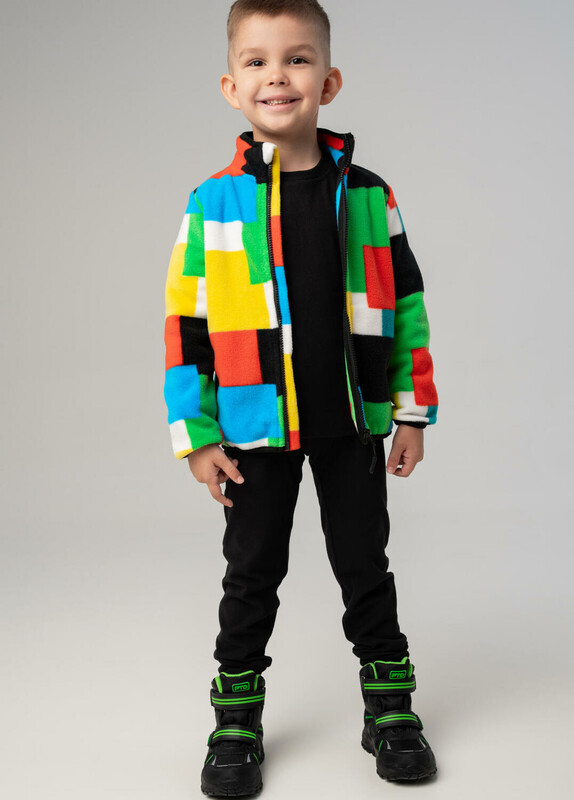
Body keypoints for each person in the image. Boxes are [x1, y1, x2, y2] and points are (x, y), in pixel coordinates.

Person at [163, 0, 440, 795]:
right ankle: (235, 719)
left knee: (364, 564)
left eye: (296, 58)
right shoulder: (213, 202)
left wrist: (411, 412)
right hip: (253, 427)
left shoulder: (369, 196)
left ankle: (390, 707)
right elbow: (186, 325)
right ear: (231, 87)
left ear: (329, 80)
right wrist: (196, 433)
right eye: (256, 61)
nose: (277, 76)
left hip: (352, 425)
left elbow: (406, 306)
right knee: (251, 572)